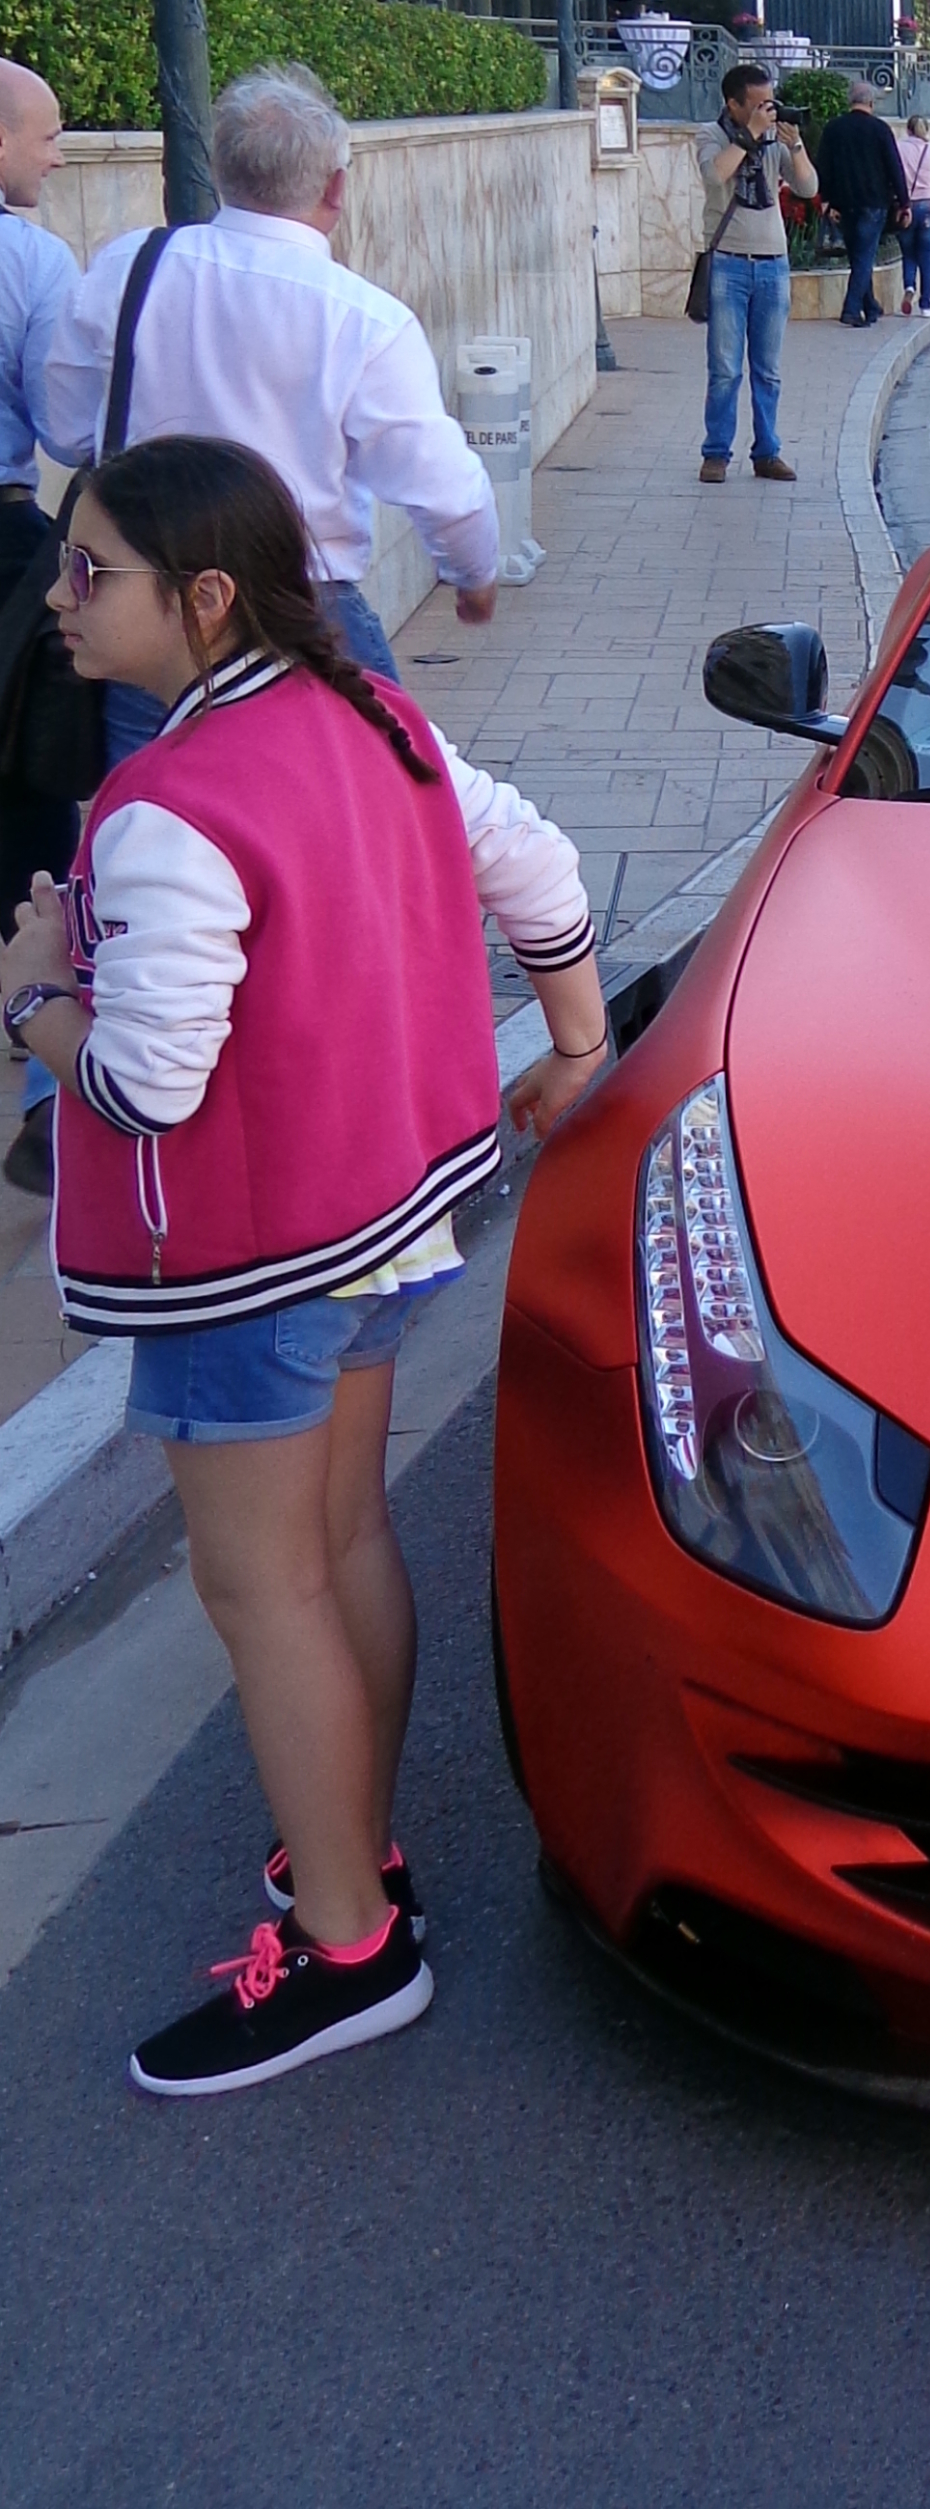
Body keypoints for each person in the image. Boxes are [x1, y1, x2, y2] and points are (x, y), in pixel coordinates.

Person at [0, 435, 605, 2097]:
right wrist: (572, 1037)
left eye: (89, 572)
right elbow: (539, 868)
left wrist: (31, 990)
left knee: (262, 1586)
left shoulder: (163, 808)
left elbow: (144, 1081)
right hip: (393, 1218)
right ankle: (354, 1854)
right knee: (338, 1545)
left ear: (203, 597)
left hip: (250, 1264)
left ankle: (348, 1945)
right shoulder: (375, 714)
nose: (60, 598)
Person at [44, 65, 501, 740]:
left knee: (157, 819)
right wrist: (472, 574)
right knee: (359, 807)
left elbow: (63, 428)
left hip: (156, 608)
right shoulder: (364, 319)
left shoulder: (128, 268)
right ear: (336, 186)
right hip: (301, 610)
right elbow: (440, 482)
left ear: (221, 166)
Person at [0, 58, 80, 1196]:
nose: (60, 152)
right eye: (48, 135)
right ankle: (49, 1105)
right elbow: (69, 417)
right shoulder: (31, 259)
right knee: (34, 811)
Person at [695, 63, 816, 483]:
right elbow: (715, 176)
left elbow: (808, 188)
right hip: (728, 263)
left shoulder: (773, 139)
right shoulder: (712, 135)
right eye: (760, 103)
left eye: (772, 101)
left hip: (773, 265)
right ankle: (716, 453)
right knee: (725, 368)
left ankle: (767, 452)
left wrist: (795, 146)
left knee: (768, 369)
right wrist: (750, 137)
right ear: (733, 104)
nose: (770, 109)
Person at [817, 79, 912, 330]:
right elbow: (894, 168)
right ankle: (850, 309)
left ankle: (870, 306)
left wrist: (826, 200)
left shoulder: (833, 129)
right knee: (864, 257)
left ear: (850, 100)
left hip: (843, 203)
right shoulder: (880, 129)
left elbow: (823, 166)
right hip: (873, 202)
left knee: (859, 255)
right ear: (871, 102)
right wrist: (904, 202)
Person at [896, 114, 930, 317]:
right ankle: (926, 305)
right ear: (926, 130)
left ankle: (909, 286)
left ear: (908, 130)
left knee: (908, 253)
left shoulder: (899, 148)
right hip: (929, 207)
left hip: (906, 207)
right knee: (926, 257)